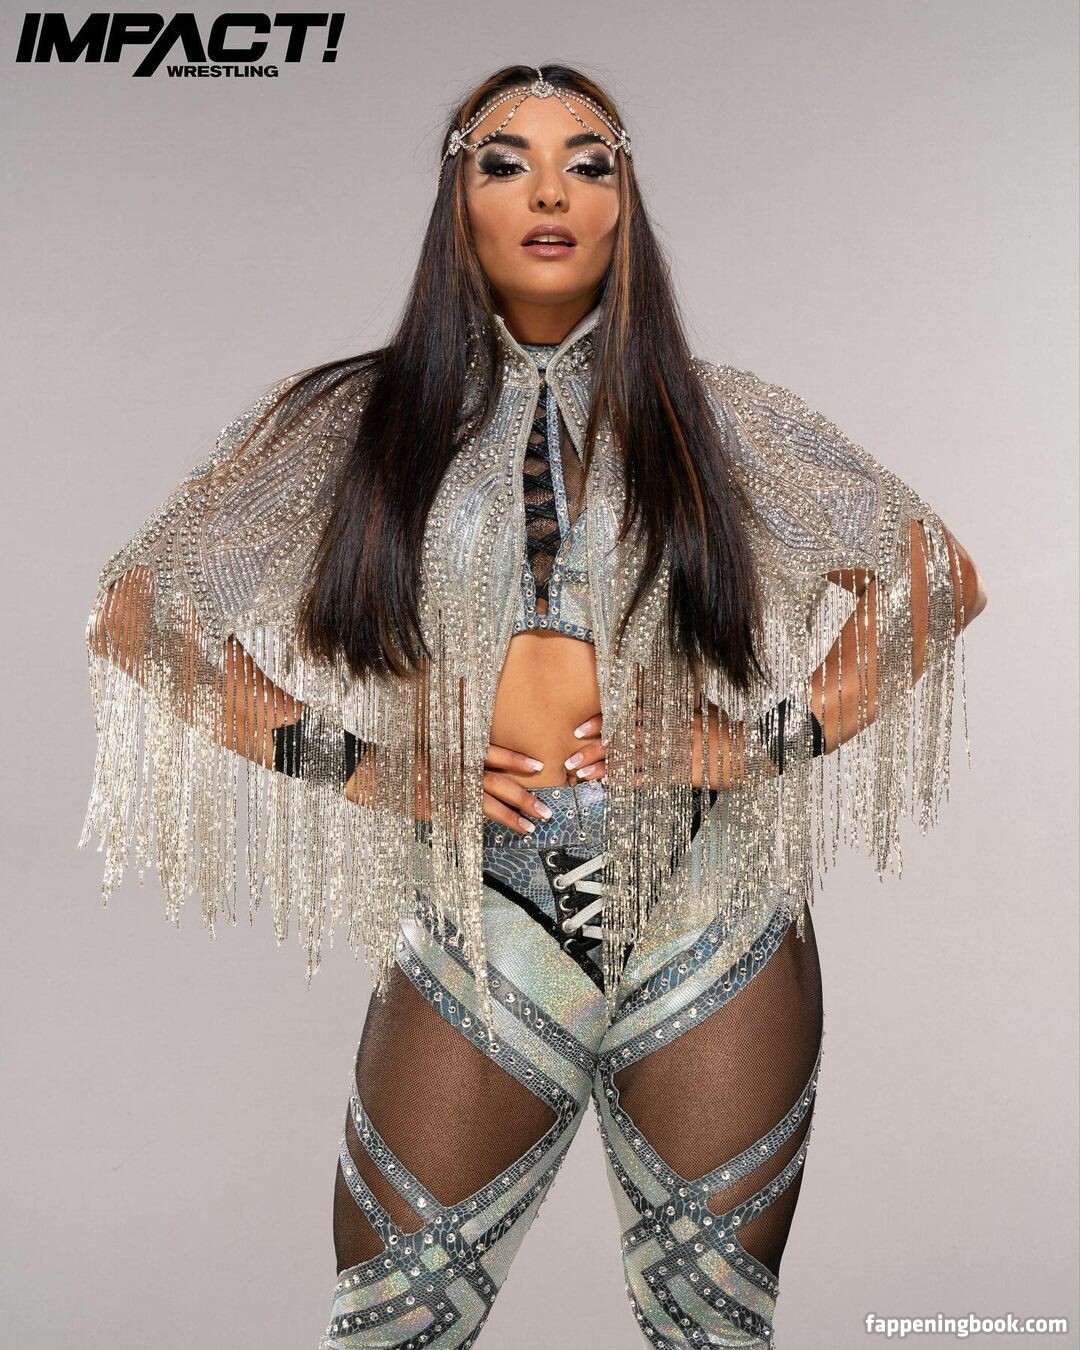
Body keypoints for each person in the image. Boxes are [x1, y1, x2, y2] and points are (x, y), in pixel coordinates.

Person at [79, 63, 988, 1349]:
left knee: (714, 1333)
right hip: (485, 906)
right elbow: (139, 607)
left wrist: (766, 741)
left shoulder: (716, 418)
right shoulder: (357, 421)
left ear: (624, 204)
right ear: (459, 199)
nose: (550, 192)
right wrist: (363, 765)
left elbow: (933, 576)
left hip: (711, 902)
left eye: (587, 164)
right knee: (393, 1325)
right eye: (507, 163)